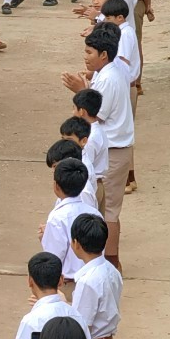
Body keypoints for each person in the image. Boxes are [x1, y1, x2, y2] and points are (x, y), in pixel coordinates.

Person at [61, 23, 132, 269]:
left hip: (113, 151)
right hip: (114, 148)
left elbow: (94, 114)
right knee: (105, 209)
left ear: (104, 54)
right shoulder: (109, 71)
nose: (86, 57)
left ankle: (111, 261)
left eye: (89, 52)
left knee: (109, 211)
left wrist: (81, 90)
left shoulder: (108, 79)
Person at [41, 158, 97, 284]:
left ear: (56, 186)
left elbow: (53, 257)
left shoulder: (57, 217)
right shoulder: (94, 213)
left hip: (68, 282)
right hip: (93, 278)